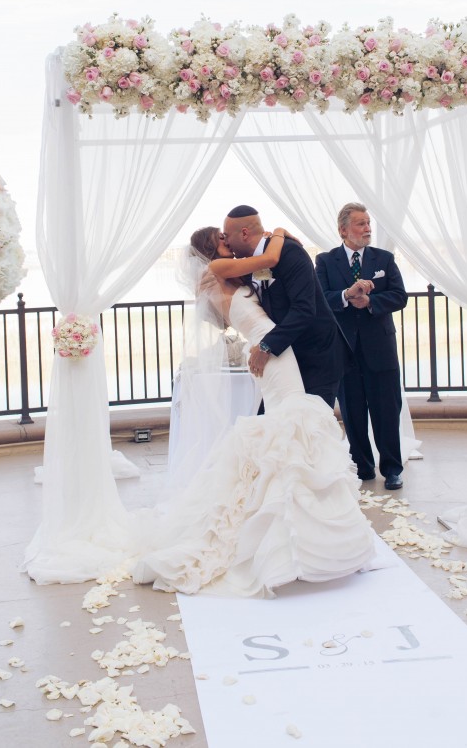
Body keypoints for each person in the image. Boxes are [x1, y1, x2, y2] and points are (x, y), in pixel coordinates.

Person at [132, 225, 376, 597]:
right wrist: (277, 234)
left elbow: (268, 272)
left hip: (275, 347)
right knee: (293, 424)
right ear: (212, 248)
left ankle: (285, 524)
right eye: (222, 241)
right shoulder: (216, 272)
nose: (228, 244)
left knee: (289, 424)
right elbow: (269, 258)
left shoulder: (229, 273)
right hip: (270, 348)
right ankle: (286, 529)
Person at [315, 203, 408, 490]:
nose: (367, 228)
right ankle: (363, 468)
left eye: (368, 223)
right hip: (345, 351)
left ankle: (392, 469)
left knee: (387, 411)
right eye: (360, 224)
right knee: (353, 414)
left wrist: (371, 302)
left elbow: (400, 296)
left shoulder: (384, 259)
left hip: (381, 350)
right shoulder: (326, 261)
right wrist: (345, 295)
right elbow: (320, 300)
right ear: (343, 230)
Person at [222, 205, 351, 408]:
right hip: (285, 359)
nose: (226, 242)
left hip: (316, 356)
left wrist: (266, 346)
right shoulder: (249, 264)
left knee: (310, 427)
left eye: (227, 235)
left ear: (244, 233)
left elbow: (304, 309)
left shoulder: (290, 252)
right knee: (275, 423)